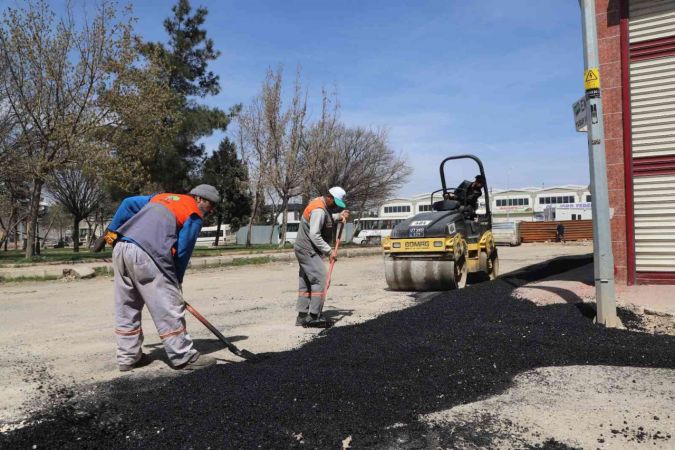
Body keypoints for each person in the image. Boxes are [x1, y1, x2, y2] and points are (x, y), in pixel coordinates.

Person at [101, 185, 221, 372]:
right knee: (169, 305)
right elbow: (182, 252)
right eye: (210, 205)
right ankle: (183, 356)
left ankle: (128, 357)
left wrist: (109, 236)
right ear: (198, 199)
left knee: (127, 305)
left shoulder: (162, 197)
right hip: (147, 252)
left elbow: (127, 203)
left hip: (121, 248)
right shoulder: (193, 214)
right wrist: (176, 282)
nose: (211, 210)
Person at [294, 186, 349, 328]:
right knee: (321, 279)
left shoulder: (321, 206)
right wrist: (329, 251)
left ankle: (302, 315)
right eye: (336, 203)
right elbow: (314, 235)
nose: (336, 206)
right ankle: (313, 316)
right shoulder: (318, 209)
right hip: (307, 249)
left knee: (306, 281)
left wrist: (339, 217)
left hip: (303, 248)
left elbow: (327, 219)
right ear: (329, 197)